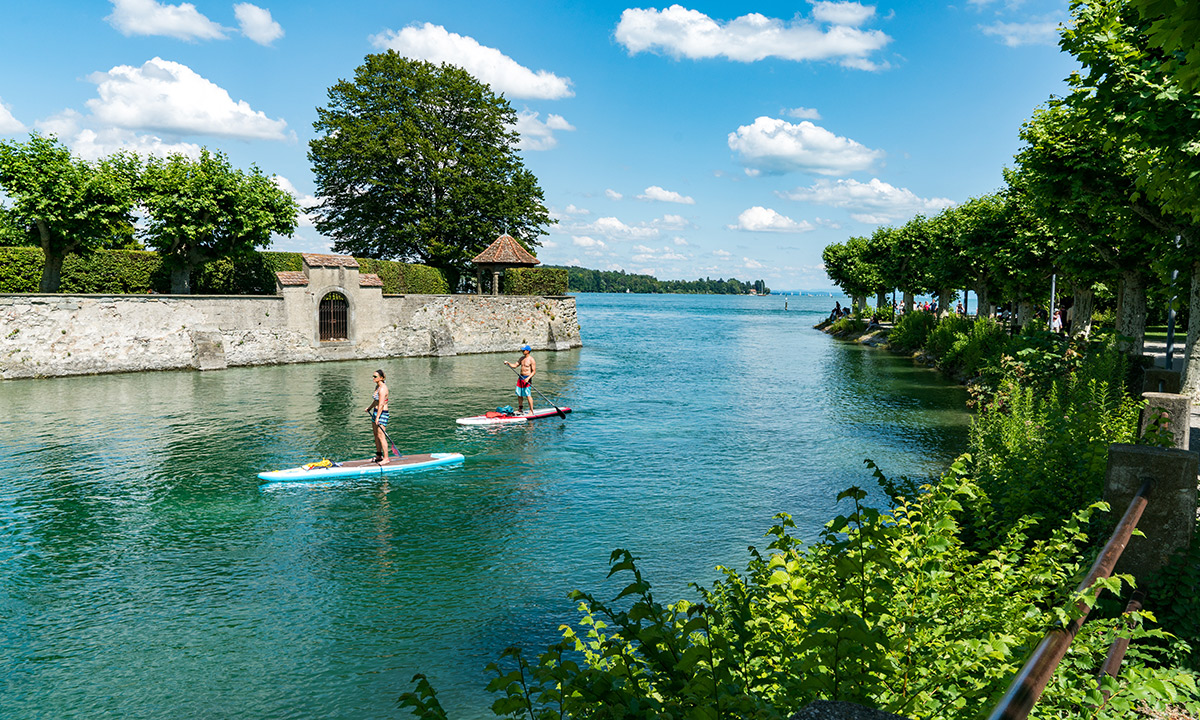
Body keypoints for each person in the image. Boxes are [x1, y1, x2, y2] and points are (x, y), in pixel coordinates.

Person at [366, 369, 390, 464]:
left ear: (381, 378)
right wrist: (369, 408)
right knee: (376, 435)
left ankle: (386, 458)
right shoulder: (377, 387)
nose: (373, 378)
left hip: (382, 413)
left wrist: (377, 418)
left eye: (375, 376)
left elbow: (381, 404)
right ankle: (379, 455)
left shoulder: (383, 388)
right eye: (373, 376)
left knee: (381, 436)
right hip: (376, 412)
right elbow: (376, 401)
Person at [504, 345, 537, 414]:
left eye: (524, 350)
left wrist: (528, 378)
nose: (522, 351)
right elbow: (515, 365)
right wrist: (508, 363)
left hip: (527, 378)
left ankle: (531, 411)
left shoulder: (531, 360)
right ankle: (520, 409)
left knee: (528, 395)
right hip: (520, 378)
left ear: (528, 351)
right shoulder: (521, 358)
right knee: (519, 394)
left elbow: (534, 371)